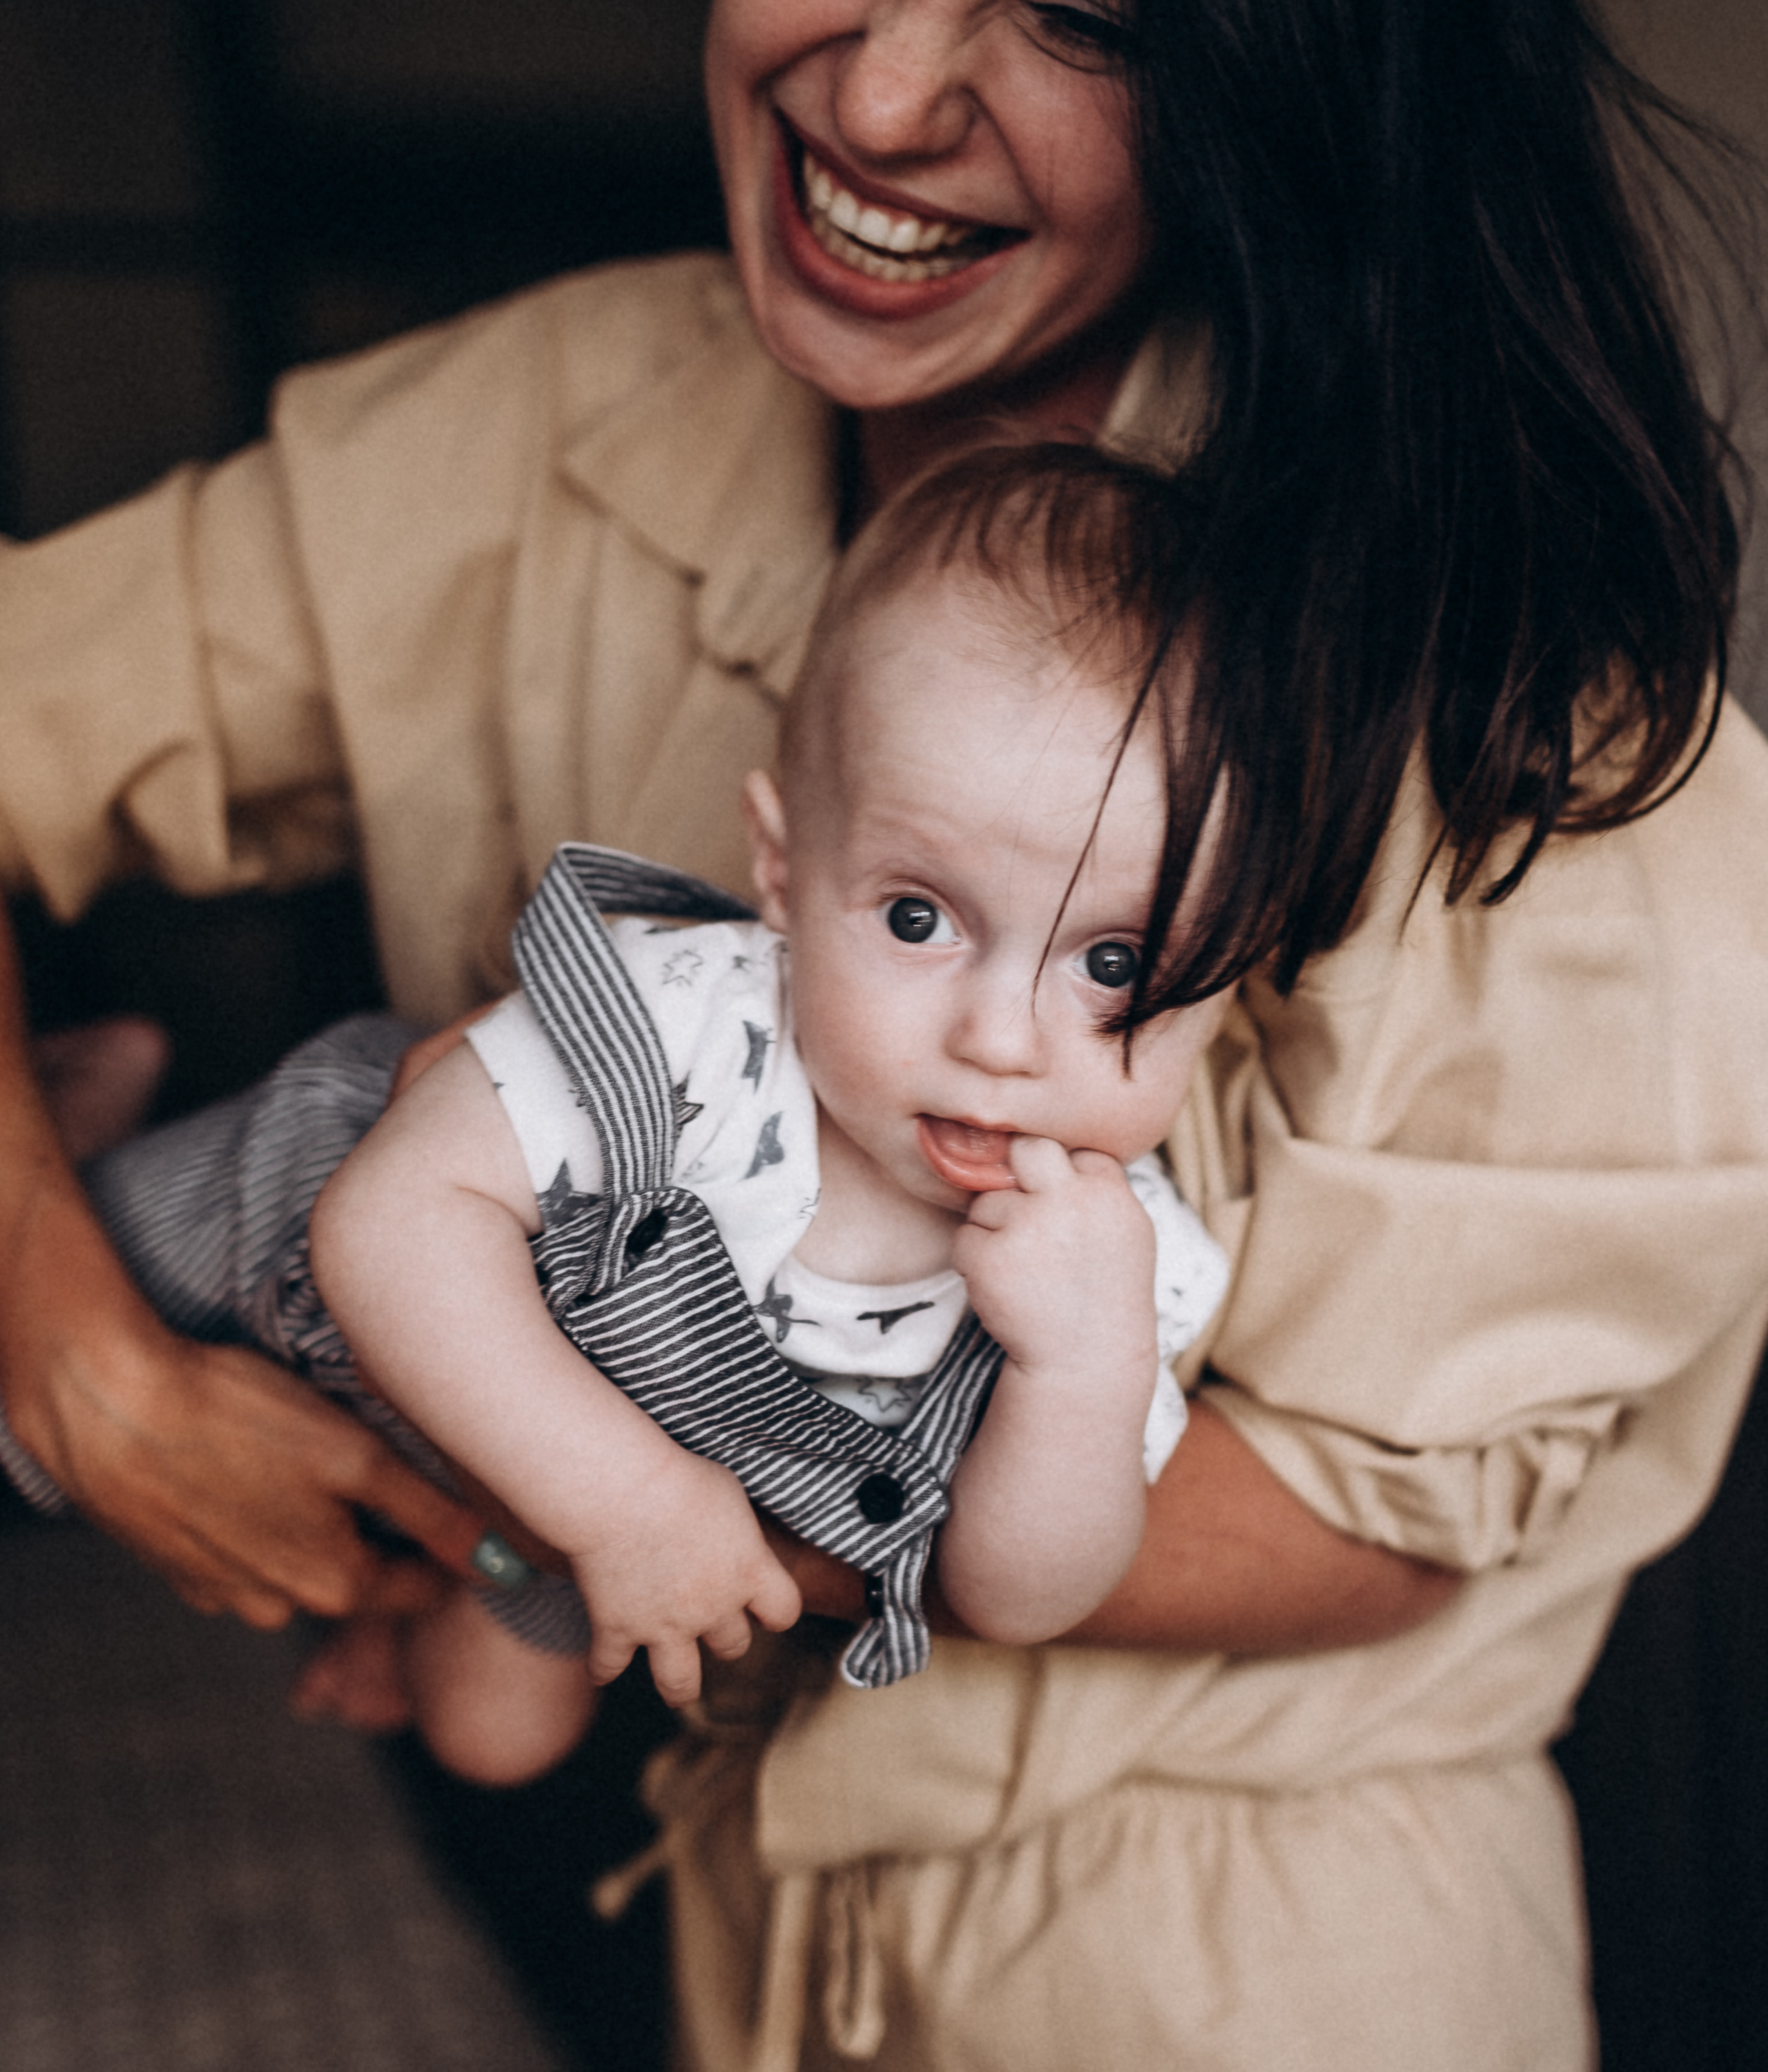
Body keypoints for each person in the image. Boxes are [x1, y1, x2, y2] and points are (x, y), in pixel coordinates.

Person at [1, 0, 1765, 2062]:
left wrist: (543, 1451)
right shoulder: (543, 421)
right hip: (733, 1942)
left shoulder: (1539, 690)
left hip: (1253, 1980)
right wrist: (79, 1351)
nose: (888, 93)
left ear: (1289, 58)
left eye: (1088, 12)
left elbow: (1374, 1514)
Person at [3, 447, 1233, 1782]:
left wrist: (1079, 1375)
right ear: (779, 867)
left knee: (496, 1743)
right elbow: (388, 1224)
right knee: (31, 1427)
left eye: (1115, 966)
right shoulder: (694, 1016)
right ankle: (84, 1135)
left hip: (559, 1452)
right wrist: (631, 1501)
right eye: (919, 920)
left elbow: (1008, 1596)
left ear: (1238, 981)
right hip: (322, 1239)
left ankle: (393, 1603)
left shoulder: (1120, 1272)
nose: (1000, 1040)